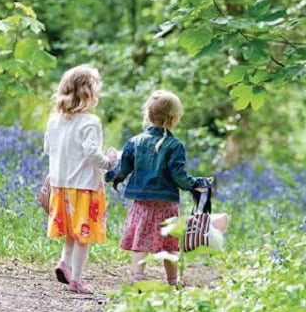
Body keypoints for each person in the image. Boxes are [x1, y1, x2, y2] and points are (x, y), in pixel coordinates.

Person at [107, 90, 211, 287]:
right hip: (166, 203)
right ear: (174, 119)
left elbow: (124, 169)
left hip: (143, 203)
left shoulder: (135, 142)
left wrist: (111, 176)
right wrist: (195, 184)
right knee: (170, 242)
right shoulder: (175, 145)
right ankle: (173, 279)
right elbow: (178, 176)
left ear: (147, 114)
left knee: (140, 240)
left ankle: (137, 277)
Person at [44, 65, 116, 294]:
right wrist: (109, 163)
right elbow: (92, 153)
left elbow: (48, 148)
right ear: (88, 93)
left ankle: (64, 263)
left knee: (70, 232)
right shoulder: (90, 121)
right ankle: (76, 279)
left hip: (60, 185)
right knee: (83, 235)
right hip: (84, 186)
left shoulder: (54, 120)